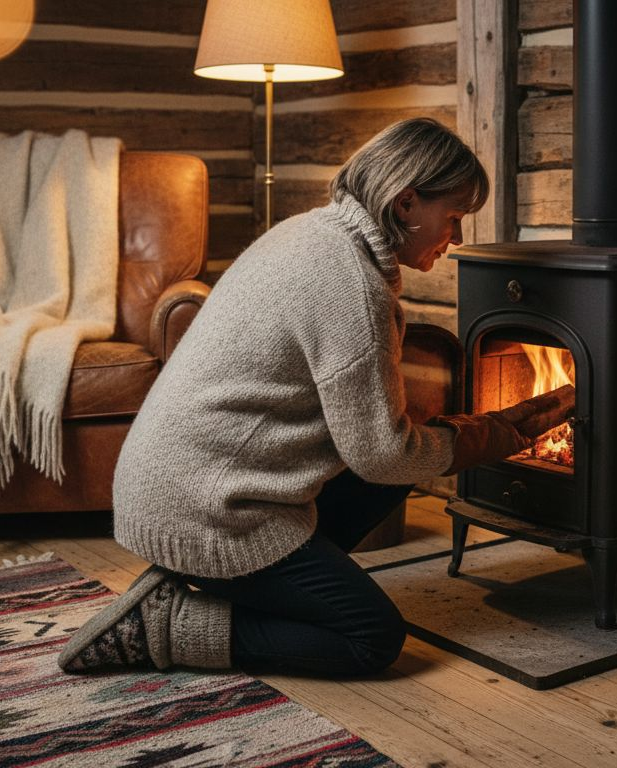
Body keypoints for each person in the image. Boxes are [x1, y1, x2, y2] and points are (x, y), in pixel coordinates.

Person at [59, 118, 558, 677]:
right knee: (372, 639)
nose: (458, 238)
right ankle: (170, 624)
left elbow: (374, 453)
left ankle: (226, 584)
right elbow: (382, 456)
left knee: (392, 466)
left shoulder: (310, 233)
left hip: (168, 484)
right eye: (454, 218)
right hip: (211, 509)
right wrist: (497, 432)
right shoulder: (350, 283)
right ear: (407, 202)